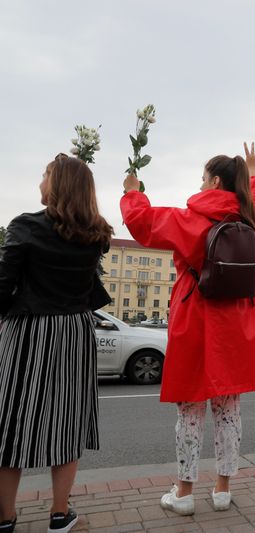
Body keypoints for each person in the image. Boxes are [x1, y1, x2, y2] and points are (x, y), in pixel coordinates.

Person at [120, 143, 255, 513]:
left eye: (203, 179)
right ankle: (223, 490)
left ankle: (184, 493)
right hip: (236, 327)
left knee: (189, 411)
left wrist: (131, 193)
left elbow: (143, 225)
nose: (200, 185)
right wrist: (254, 174)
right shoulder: (251, 221)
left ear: (215, 181)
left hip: (197, 322)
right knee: (228, 411)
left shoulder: (191, 219)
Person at [0, 154, 113, 533]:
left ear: (58, 184)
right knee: (67, 419)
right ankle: (60, 513)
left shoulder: (25, 226)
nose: (39, 182)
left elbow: (2, 287)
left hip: (28, 332)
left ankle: (5, 517)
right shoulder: (97, 234)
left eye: (45, 174)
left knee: (11, 421)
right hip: (74, 334)